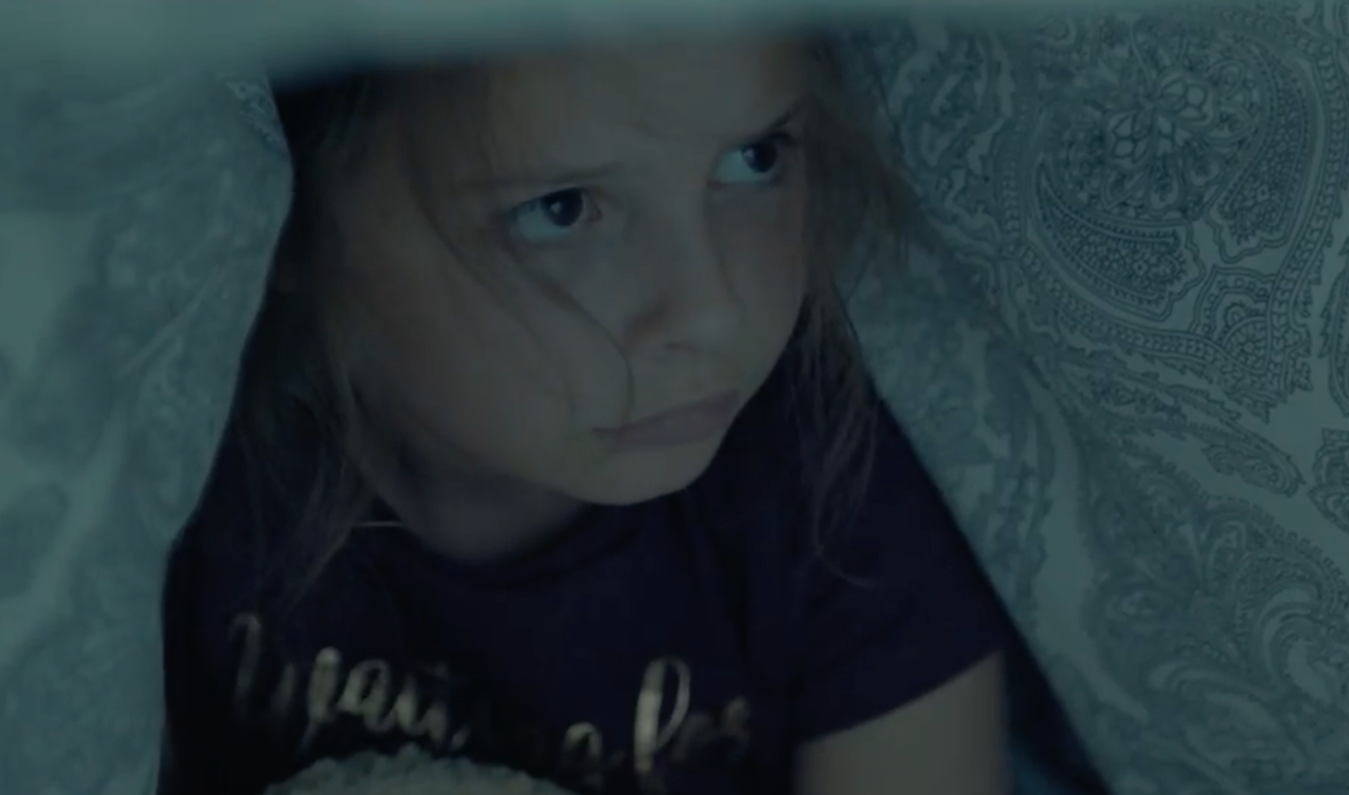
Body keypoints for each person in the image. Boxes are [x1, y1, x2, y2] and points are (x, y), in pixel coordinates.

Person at [160, 30, 1010, 795]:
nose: (711, 310)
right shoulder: (174, 494)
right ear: (286, 213)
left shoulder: (843, 508)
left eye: (755, 158)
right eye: (560, 209)